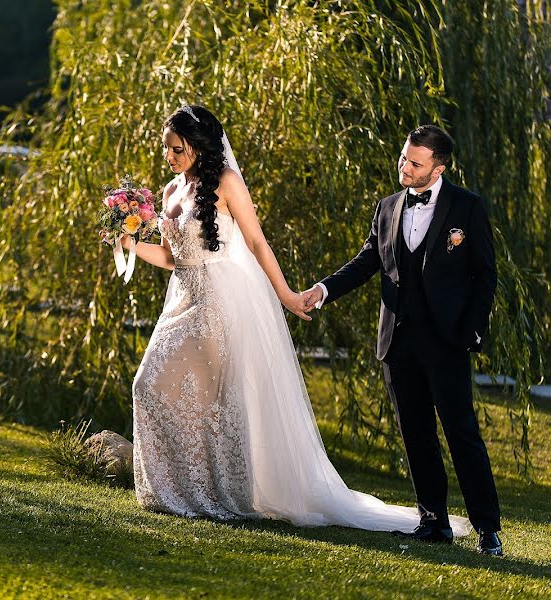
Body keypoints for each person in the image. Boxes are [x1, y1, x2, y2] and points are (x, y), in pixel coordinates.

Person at [124, 105, 470, 536]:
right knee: (155, 388)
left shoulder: (226, 183)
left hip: (215, 305)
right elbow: (173, 257)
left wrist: (287, 295)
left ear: (198, 146)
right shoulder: (171, 189)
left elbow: (255, 241)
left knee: (198, 396)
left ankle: (209, 494)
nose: (169, 156)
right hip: (180, 300)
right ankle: (180, 490)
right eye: (166, 148)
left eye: (177, 148)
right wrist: (129, 243)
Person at [301, 125, 502, 556]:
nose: (404, 167)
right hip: (398, 342)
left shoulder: (467, 208)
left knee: (461, 433)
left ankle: (487, 528)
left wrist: (472, 330)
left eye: (415, 163)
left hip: (447, 341)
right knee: (415, 433)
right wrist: (324, 289)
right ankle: (433, 521)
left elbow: (485, 274)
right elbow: (367, 260)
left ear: (439, 167)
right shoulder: (387, 207)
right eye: (403, 158)